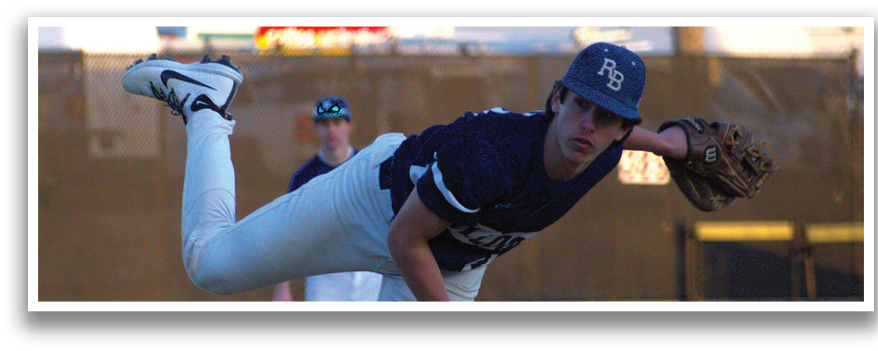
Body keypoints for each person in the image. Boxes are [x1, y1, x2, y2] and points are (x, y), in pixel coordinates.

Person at [121, 43, 689, 301]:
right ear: (556, 98)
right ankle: (205, 105)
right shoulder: (491, 156)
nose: (588, 124)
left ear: (621, 130)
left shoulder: (605, 147)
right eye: (580, 105)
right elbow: (404, 238)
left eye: (606, 116)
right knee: (210, 265)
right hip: (378, 206)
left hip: (459, 255)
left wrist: (673, 143)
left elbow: (632, 133)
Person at [271, 96, 383, 301]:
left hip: (370, 272)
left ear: (350, 126)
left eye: (337, 122)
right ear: (316, 128)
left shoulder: (368, 166)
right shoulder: (304, 177)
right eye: (324, 124)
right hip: (326, 275)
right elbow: (287, 231)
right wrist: (282, 288)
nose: (331, 130)